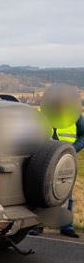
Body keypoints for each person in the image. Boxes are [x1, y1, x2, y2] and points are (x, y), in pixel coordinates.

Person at [31, 84, 84, 238]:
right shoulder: (39, 115)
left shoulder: (74, 115)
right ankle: (37, 225)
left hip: (64, 159)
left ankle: (66, 226)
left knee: (66, 193)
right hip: (43, 158)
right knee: (40, 192)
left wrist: (73, 149)